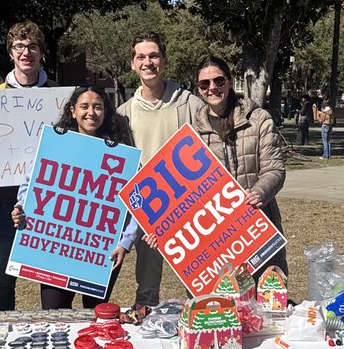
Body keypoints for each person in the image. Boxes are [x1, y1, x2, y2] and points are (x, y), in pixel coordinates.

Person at [11, 85, 139, 309]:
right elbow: (30, 186)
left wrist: (125, 243)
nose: (91, 112)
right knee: (54, 315)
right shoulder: (54, 146)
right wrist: (21, 208)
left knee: (95, 316)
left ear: (105, 112)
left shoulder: (120, 154)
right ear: (72, 111)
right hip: (55, 250)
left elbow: (136, 203)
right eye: (85, 106)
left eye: (98, 107)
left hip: (101, 252)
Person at [117, 33, 196, 309]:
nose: (148, 62)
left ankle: (204, 326)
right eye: (141, 57)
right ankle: (147, 329)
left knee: (197, 280)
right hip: (148, 209)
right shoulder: (123, 114)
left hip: (189, 206)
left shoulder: (189, 103)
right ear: (132, 64)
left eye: (154, 56)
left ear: (164, 60)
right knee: (147, 285)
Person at [191, 55, 287, 274]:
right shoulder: (193, 132)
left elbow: (275, 169)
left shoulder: (259, 119)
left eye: (219, 81)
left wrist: (259, 192)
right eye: (204, 84)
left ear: (230, 81)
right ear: (198, 88)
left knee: (267, 296)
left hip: (258, 223)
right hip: (216, 235)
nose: (212, 88)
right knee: (224, 301)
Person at [0, 21, 55, 310]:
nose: (25, 52)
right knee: (3, 275)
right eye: (19, 46)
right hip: (5, 196)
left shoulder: (58, 93)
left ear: (41, 53)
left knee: (52, 275)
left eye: (32, 47)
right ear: (11, 53)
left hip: (50, 196)